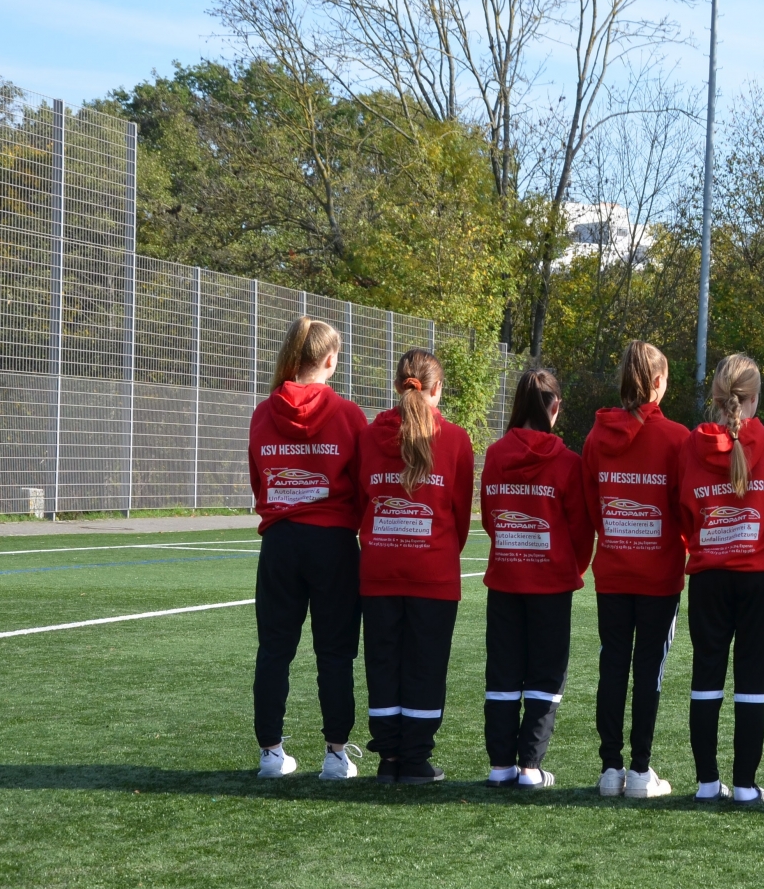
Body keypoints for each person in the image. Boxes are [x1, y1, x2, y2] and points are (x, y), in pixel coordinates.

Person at [246, 315, 368, 780]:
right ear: (330, 360)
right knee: (335, 653)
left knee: (274, 650)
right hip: (333, 543)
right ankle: (336, 756)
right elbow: (362, 484)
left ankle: (271, 754)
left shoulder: (263, 412)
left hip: (280, 542)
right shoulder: (348, 414)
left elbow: (258, 480)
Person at [358, 348, 475, 784]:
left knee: (382, 664)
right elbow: (460, 516)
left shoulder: (369, 437)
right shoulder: (456, 439)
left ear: (397, 385)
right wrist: (437, 550)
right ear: (437, 388)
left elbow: (360, 502)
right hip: (434, 572)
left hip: (379, 570)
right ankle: (416, 760)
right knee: (426, 666)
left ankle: (389, 758)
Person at [678, 354, 764, 803]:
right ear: (755, 398)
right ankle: (745, 784)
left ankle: (707, 782)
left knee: (706, 677)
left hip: (709, 576)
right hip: (761, 577)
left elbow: (684, 509)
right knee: (752, 682)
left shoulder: (692, 445)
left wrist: (709, 542)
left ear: (716, 398)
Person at [581, 341, 689, 798]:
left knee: (612, 665)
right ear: (659, 382)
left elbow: (593, 507)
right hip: (659, 575)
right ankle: (641, 770)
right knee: (649, 670)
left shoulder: (595, 437)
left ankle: (611, 769)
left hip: (613, 571)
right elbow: (684, 508)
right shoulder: (677, 438)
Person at [479, 368, 593, 790]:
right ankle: (530, 765)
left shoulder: (495, 455)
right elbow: (581, 530)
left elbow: (490, 517)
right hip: (552, 584)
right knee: (546, 674)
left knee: (503, 671)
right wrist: (568, 568)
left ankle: (500, 764)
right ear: (555, 406)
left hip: (506, 579)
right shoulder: (567, 462)